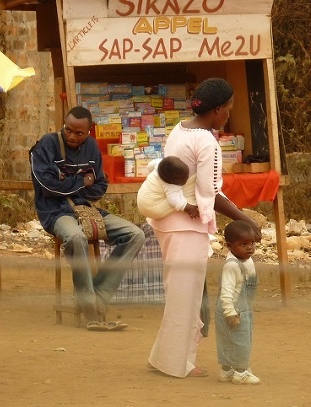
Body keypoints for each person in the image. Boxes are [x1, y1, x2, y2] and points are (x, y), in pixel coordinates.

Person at [146, 77, 262, 378]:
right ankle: (174, 363)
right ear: (217, 110)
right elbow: (210, 193)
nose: (228, 115)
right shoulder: (206, 141)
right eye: (228, 109)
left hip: (168, 220)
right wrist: (246, 219)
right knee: (185, 297)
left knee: (180, 294)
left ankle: (166, 357)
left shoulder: (180, 128)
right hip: (186, 224)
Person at [30, 106, 145, 331]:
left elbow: (100, 186)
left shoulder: (92, 147)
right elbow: (48, 188)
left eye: (79, 133)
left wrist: (71, 185)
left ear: (89, 132)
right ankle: (90, 308)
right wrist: (82, 182)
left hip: (87, 209)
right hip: (55, 212)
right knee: (76, 237)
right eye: (68, 130)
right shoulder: (46, 144)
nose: (72, 136)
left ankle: (98, 296)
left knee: (135, 235)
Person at [215, 220, 260, 385]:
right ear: (230, 245)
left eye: (252, 243)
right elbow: (226, 292)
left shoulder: (247, 261)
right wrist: (230, 312)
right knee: (239, 341)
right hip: (233, 309)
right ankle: (240, 372)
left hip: (244, 308)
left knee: (231, 339)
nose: (250, 247)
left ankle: (227, 372)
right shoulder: (231, 266)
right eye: (244, 244)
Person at [137, 155, 199, 220]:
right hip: (149, 208)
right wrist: (188, 208)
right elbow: (174, 200)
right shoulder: (170, 185)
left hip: (141, 195)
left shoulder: (158, 163)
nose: (186, 180)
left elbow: (150, 165)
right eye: (182, 180)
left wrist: (150, 175)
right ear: (171, 181)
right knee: (181, 198)